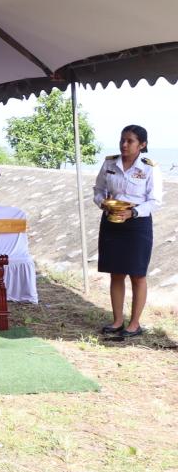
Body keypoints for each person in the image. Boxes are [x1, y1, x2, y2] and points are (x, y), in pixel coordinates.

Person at [94, 125, 161, 340]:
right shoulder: (110, 162)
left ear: (142, 145)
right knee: (116, 273)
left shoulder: (150, 168)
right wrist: (102, 203)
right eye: (122, 140)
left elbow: (154, 201)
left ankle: (134, 324)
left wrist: (132, 214)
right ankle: (117, 321)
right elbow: (98, 190)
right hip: (112, 222)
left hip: (136, 225)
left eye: (130, 141)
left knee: (137, 274)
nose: (124, 144)